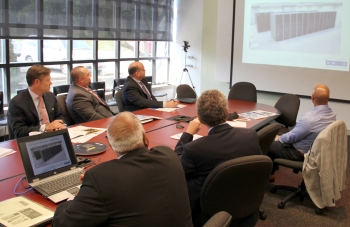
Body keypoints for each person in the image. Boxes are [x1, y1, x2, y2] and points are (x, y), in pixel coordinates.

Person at [52, 112, 193, 227]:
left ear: (112, 146)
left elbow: (62, 223)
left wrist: (79, 196)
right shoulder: (168, 155)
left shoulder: (101, 178)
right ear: (145, 139)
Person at [174, 89, 262, 226]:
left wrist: (188, 134)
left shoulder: (194, 149)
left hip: (210, 212)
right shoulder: (250, 136)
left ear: (199, 118)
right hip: (246, 203)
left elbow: (175, 167)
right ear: (227, 113)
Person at [267, 84, 336, 179]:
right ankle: (270, 173)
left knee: (265, 142)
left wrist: (278, 138)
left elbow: (292, 137)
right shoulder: (332, 115)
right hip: (316, 153)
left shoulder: (309, 118)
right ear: (328, 98)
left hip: (298, 153)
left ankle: (264, 175)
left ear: (312, 98)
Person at [8, 65, 66, 138]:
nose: (51, 83)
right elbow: (20, 131)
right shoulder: (17, 102)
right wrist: (45, 127)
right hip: (33, 141)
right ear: (37, 82)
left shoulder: (50, 96)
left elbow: (59, 116)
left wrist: (58, 124)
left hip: (54, 136)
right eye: (48, 80)